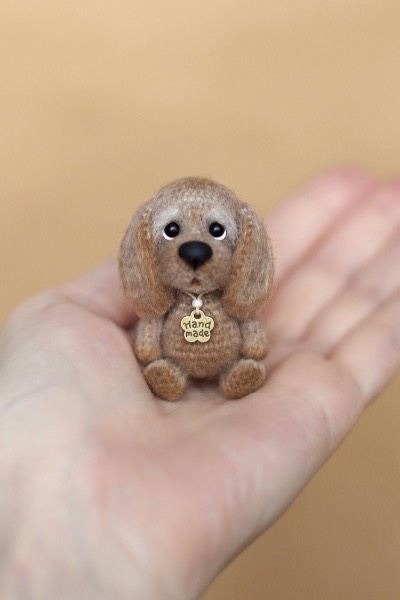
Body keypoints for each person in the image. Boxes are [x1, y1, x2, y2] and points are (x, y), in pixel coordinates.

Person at [0, 169, 399, 599]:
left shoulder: (229, 297)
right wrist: (150, 349)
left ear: (244, 244)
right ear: (147, 244)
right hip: (171, 359)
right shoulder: (165, 304)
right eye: (172, 231)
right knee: (162, 364)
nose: (194, 246)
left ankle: (236, 373)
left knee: (245, 360)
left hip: (231, 353)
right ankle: (169, 374)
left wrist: (253, 344)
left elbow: (249, 325)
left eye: (216, 231)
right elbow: (150, 330)